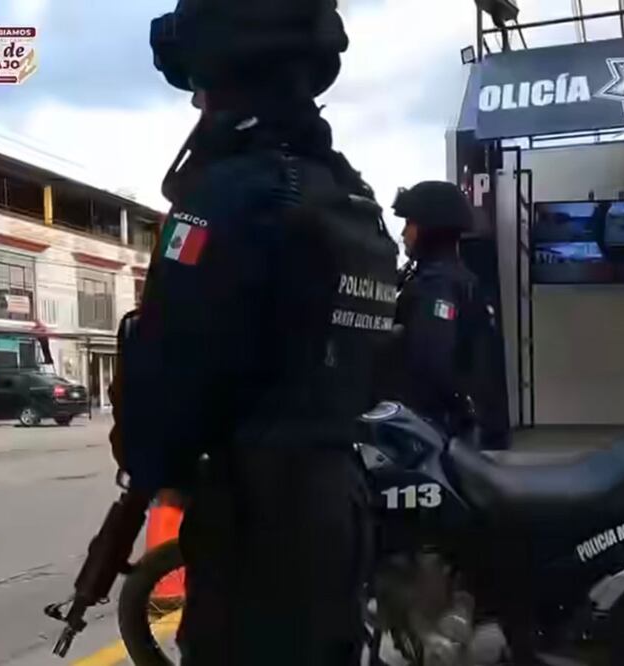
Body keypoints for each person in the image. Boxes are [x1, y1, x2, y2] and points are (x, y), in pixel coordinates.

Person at [110, 1, 398, 663]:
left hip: (255, 529)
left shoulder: (230, 194)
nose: (196, 105)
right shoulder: (349, 195)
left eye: (199, 87)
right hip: (338, 510)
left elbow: (168, 379)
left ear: (219, 74)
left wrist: (152, 460)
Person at [385, 181, 509, 450]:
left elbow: (431, 363)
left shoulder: (437, 284)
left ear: (431, 228)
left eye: (410, 223)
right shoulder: (457, 278)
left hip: (438, 432)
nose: (404, 232)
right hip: (457, 430)